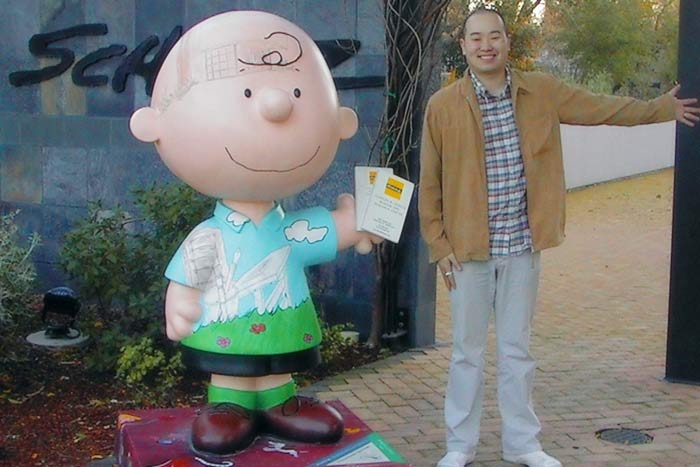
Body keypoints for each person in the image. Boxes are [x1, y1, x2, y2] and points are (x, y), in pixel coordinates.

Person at [418, 7, 700, 467]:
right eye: (476, 38)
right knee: (466, 354)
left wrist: (659, 109)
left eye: (494, 36)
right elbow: (430, 180)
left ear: (507, 42)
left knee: (517, 351)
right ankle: (459, 446)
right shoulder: (442, 106)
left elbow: (602, 108)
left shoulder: (541, 91)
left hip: (523, 244)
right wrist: (438, 243)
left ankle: (523, 444)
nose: (486, 45)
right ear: (464, 46)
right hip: (467, 251)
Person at [129, 10, 381, 455]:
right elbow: (190, 271)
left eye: (298, 93)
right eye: (246, 93)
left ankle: (280, 400)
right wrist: (181, 297)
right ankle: (228, 403)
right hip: (226, 328)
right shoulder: (211, 236)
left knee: (278, 364)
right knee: (231, 367)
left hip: (283, 323)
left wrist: (357, 222)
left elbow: (321, 232)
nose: (277, 105)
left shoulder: (289, 230)